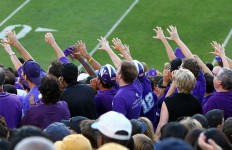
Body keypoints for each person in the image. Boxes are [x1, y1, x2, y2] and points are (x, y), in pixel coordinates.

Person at [155, 68, 202, 138]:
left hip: (172, 138)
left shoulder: (168, 101)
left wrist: (155, 140)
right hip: (190, 138)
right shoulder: (196, 101)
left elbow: (162, 124)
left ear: (177, 84)